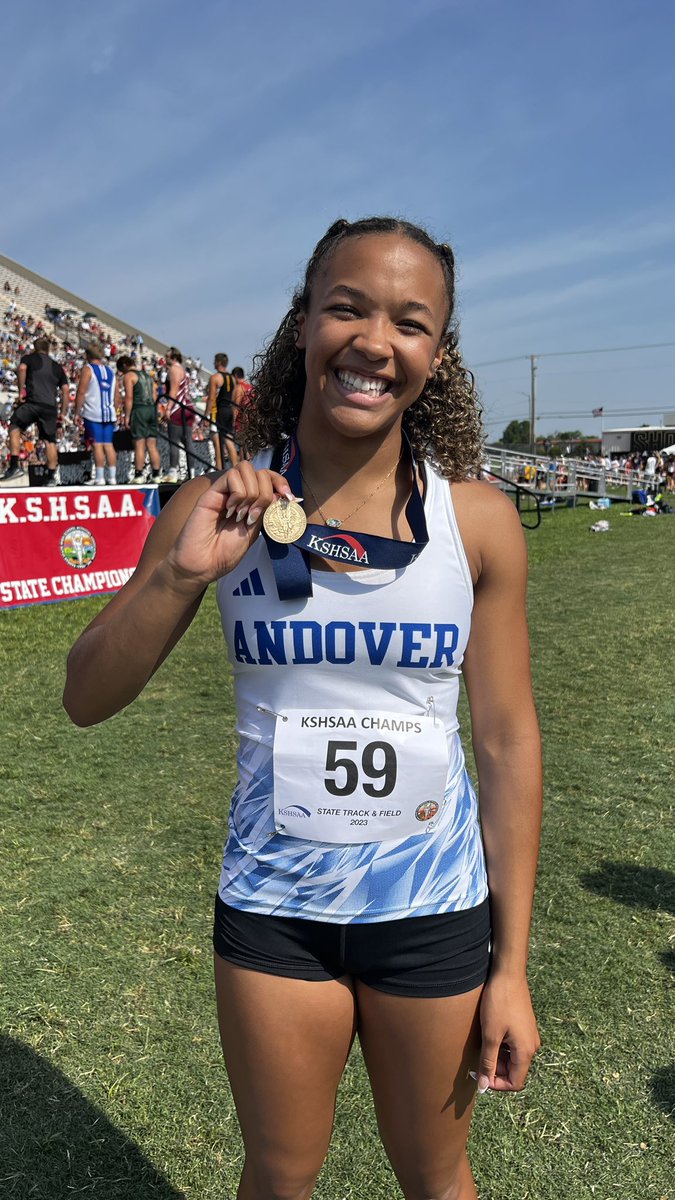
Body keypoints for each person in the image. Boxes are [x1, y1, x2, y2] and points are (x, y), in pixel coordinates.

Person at [63, 216, 542, 1200]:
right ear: (305, 324)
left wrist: (513, 965)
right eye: (347, 307)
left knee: (437, 1172)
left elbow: (503, 741)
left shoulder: (480, 522)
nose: (374, 340)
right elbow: (84, 698)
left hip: (433, 911)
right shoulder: (216, 507)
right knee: (280, 1173)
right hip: (277, 913)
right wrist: (182, 578)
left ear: (437, 355)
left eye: (410, 322)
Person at [1, 336, 70, 485]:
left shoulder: (29, 358)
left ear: (35, 348)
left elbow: (22, 368)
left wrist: (20, 392)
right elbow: (65, 390)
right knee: (50, 441)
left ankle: (14, 466)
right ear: (48, 349)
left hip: (33, 403)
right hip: (50, 408)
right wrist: (62, 413)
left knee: (14, 425)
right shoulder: (56, 366)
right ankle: (52, 477)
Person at [74, 343, 118, 485]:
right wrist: (115, 411)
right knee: (108, 444)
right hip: (109, 413)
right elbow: (117, 396)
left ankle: (99, 477)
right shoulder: (110, 371)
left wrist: (77, 411)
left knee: (97, 445)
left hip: (93, 413)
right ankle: (112, 477)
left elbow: (81, 391)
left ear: (88, 355)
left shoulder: (88, 369)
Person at [116, 355, 162, 484]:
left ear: (124, 366)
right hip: (151, 409)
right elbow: (154, 394)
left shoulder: (129, 376)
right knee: (152, 445)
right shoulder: (147, 376)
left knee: (139, 445)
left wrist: (127, 416)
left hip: (139, 409)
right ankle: (156, 473)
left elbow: (129, 398)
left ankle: (139, 474)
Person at [163, 347, 198, 482]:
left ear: (173, 357)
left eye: (167, 356)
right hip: (188, 406)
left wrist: (168, 408)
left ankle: (173, 472)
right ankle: (193, 472)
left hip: (178, 408)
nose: (165, 359)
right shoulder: (183, 370)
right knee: (188, 441)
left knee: (174, 441)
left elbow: (174, 390)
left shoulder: (174, 369)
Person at [207, 352, 240, 471]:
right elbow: (232, 397)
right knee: (229, 439)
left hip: (219, 412)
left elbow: (211, 398)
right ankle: (236, 467)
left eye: (214, 361)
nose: (213, 363)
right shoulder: (232, 378)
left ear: (219, 362)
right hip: (229, 410)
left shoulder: (215, 377)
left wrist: (206, 415)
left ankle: (219, 471)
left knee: (218, 443)